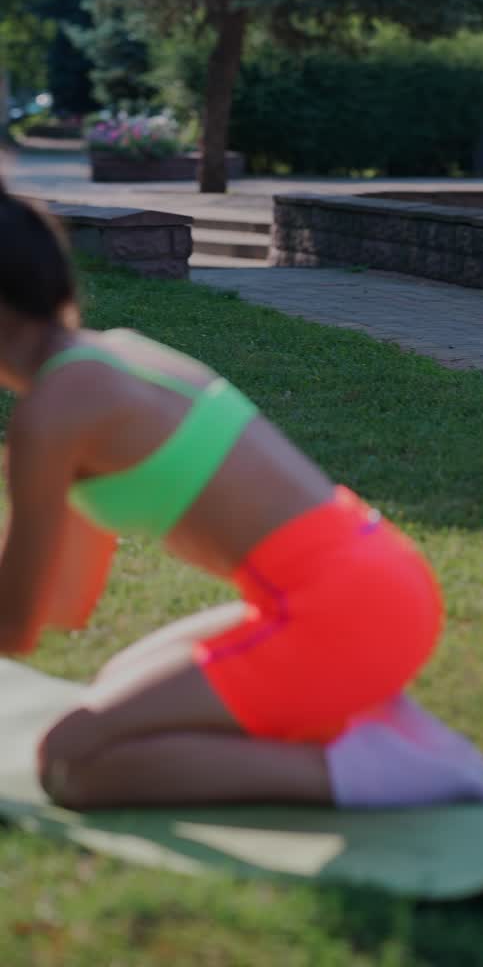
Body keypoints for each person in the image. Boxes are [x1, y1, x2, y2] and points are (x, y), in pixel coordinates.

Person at [0, 190, 449, 810]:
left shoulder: (53, 416)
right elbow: (63, 604)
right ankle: (361, 718)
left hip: (340, 612)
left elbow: (12, 627)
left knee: (72, 760)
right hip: (375, 583)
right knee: (111, 698)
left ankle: (363, 769)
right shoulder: (113, 357)